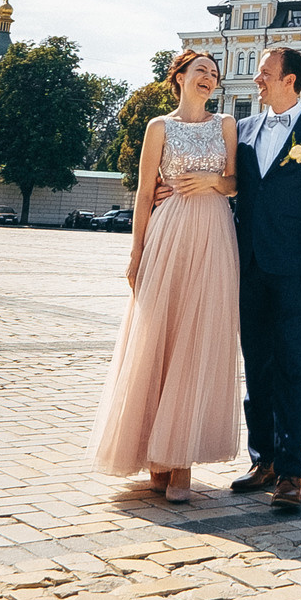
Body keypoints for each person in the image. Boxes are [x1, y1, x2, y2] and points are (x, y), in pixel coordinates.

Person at [90, 48, 242, 503]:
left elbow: (235, 182)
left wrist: (214, 182)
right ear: (178, 78)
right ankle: (154, 455)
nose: (209, 78)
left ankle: (181, 462)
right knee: (158, 336)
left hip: (214, 232)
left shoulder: (226, 125)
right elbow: (142, 192)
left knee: (198, 340)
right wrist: (136, 252)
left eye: (214, 74)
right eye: (201, 71)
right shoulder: (159, 126)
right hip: (169, 232)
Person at [226, 47, 301, 509]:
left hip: (295, 269)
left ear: (290, 80)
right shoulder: (244, 129)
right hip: (248, 265)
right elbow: (231, 188)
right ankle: (264, 460)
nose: (257, 81)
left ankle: (291, 472)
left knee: (293, 365)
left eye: (265, 74)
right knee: (256, 364)